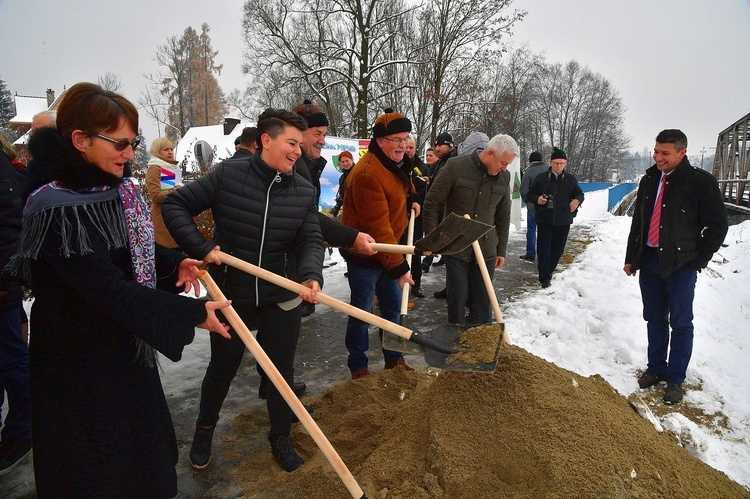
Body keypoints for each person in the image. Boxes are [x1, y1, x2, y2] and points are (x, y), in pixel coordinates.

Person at [7, 82, 231, 497]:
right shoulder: (55, 208)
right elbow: (105, 286)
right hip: (78, 364)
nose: (130, 154)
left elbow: (129, 253)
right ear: (80, 140)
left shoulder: (116, 190)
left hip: (124, 348)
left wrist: (171, 263)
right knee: (100, 468)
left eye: (133, 143)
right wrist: (192, 314)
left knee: (143, 457)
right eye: (121, 144)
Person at [163, 108, 325, 473]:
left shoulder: (302, 189)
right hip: (231, 293)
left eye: (301, 144)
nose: (299, 151)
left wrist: (312, 274)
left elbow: (311, 237)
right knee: (223, 367)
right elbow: (176, 204)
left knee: (281, 370)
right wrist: (200, 247)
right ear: (266, 140)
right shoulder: (229, 174)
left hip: (279, 293)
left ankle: (280, 436)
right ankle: (205, 429)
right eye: (292, 143)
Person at [624, 129, 728, 405]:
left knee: (681, 323)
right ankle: (656, 367)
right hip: (649, 261)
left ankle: (675, 379)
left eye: (665, 153)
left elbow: (718, 226)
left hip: (681, 265)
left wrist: (699, 259)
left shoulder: (699, 183)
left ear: (683, 152)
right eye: (656, 152)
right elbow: (640, 222)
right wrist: (631, 257)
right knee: (654, 317)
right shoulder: (649, 179)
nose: (658, 157)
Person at [340, 108, 418, 379]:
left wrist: (412, 200)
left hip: (388, 252)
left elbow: (400, 190)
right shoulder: (368, 174)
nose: (403, 145)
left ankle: (394, 359)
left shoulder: (392, 163)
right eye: (396, 139)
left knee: (392, 308)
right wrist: (399, 269)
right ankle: (358, 365)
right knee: (362, 311)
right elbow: (379, 229)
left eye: (406, 138)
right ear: (380, 140)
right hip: (367, 254)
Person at [291, 100, 376, 318]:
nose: (323, 141)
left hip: (297, 262)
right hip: (284, 267)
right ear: (299, 134)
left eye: (325, 134)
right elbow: (305, 216)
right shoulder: (293, 168)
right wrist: (351, 237)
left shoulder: (309, 165)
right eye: (317, 134)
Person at [423, 134, 518, 325]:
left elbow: (503, 216)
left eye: (508, 164)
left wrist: (501, 250)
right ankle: (455, 340)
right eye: (503, 162)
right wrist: (432, 239)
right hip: (457, 247)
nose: (505, 168)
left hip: (486, 249)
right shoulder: (455, 167)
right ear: (490, 153)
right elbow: (432, 203)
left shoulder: (503, 177)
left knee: (484, 300)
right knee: (457, 298)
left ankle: (481, 342)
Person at [0, 132, 30, 478]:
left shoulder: (161, 167)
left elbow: (162, 196)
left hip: (2, 288)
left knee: (11, 356)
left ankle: (22, 429)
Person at [526, 147, 584, 288]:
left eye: (562, 163)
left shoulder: (570, 179)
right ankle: (544, 278)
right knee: (544, 249)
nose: (559, 166)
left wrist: (577, 201)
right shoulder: (541, 178)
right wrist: (538, 199)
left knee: (558, 250)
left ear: (565, 163)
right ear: (550, 162)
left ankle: (549, 271)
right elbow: (530, 194)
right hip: (545, 219)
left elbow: (579, 194)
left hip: (563, 220)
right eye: (556, 163)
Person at [145, 137, 182, 250]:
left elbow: (171, 193)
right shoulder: (155, 169)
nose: (170, 152)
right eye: (166, 149)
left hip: (174, 219)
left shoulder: (170, 168)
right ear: (157, 151)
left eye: (171, 149)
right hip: (162, 222)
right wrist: (177, 189)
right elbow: (156, 196)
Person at [404, 137, 427, 298]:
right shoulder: (396, 164)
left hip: (416, 216)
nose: (408, 150)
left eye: (411, 147)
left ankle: (416, 285)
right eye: (406, 147)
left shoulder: (420, 166)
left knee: (415, 251)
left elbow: (423, 187)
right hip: (399, 216)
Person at [519, 151, 549, 262]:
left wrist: (528, 201)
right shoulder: (549, 169)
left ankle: (531, 254)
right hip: (547, 207)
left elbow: (523, 190)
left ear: (530, 160)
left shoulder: (528, 172)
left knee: (531, 230)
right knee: (546, 230)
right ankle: (545, 254)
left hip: (533, 206)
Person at [420, 147, 439, 273]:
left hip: (437, 207)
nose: (428, 157)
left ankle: (427, 260)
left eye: (431, 155)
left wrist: (429, 182)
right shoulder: (426, 168)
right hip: (425, 205)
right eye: (427, 155)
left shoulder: (440, 169)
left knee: (433, 234)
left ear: (437, 157)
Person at [330, 150, 355, 218]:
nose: (345, 164)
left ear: (352, 160)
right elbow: (342, 197)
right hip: (348, 212)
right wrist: (334, 211)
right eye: (343, 162)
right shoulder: (342, 178)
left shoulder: (359, 174)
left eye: (347, 161)